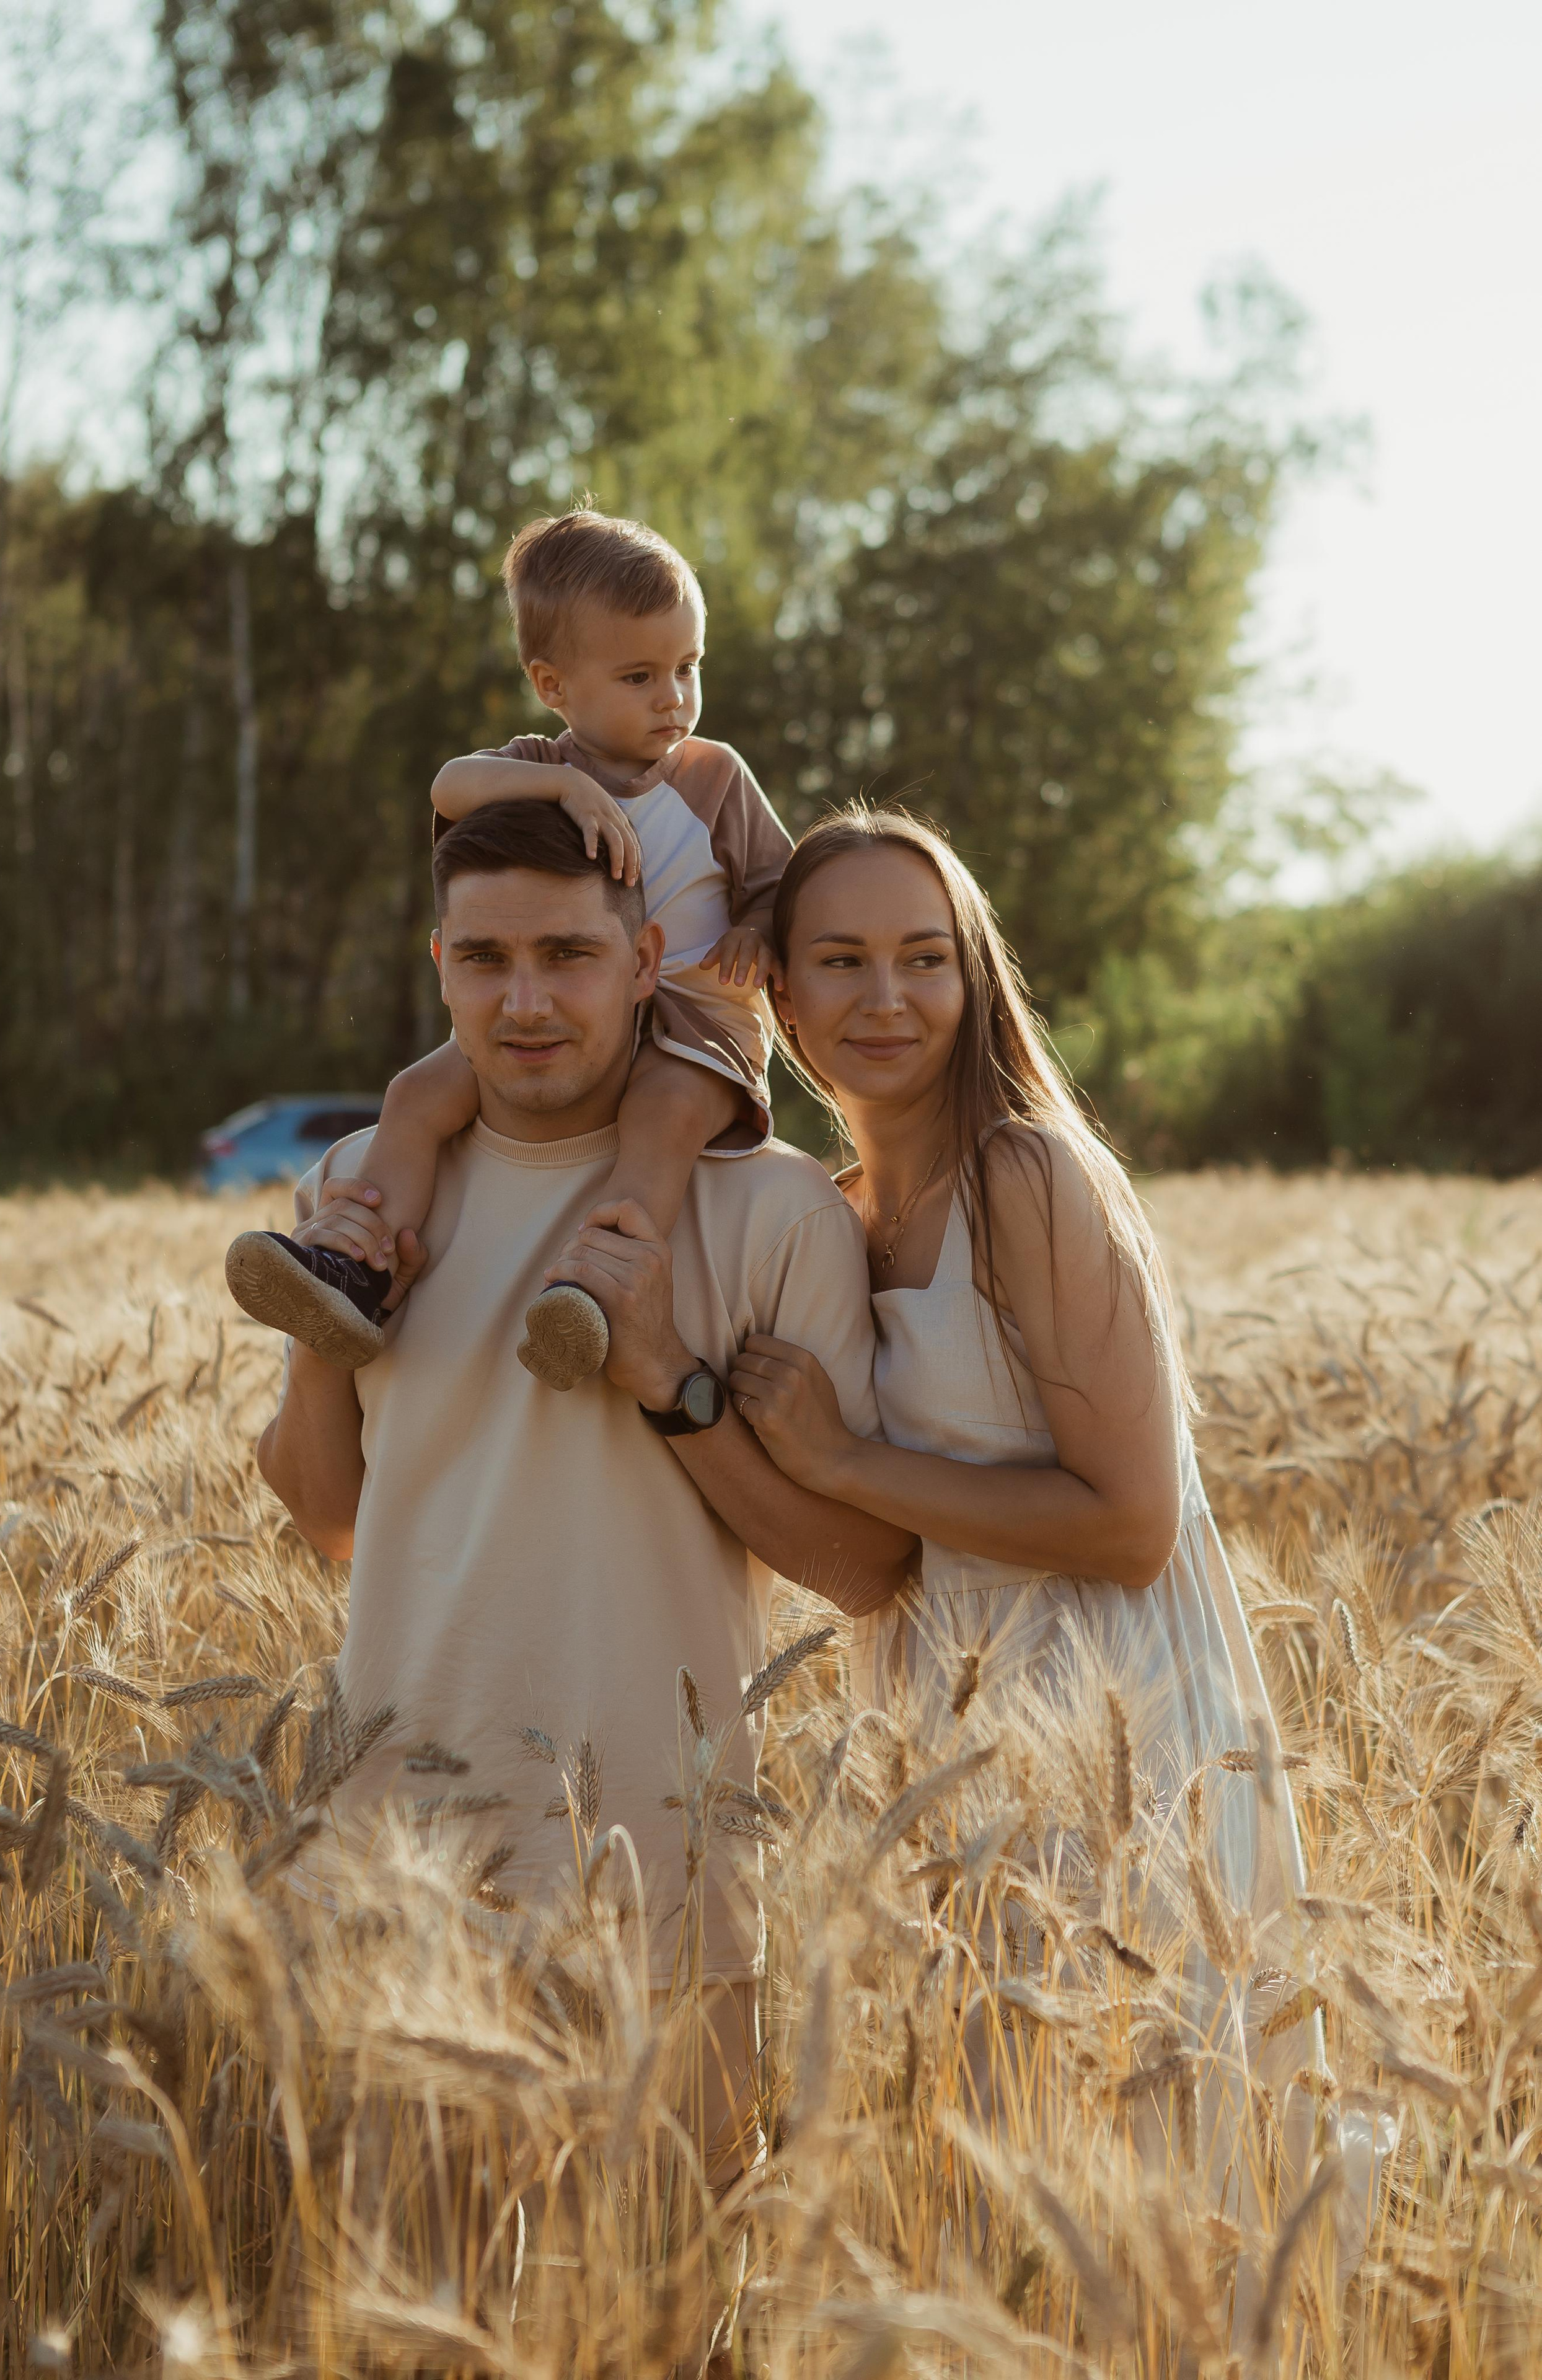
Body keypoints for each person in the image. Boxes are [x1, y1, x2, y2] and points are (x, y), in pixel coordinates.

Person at [722, 806, 1379, 2277]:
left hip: (1111, 1731)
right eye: (838, 961)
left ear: (972, 981)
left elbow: (1132, 1525)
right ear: (779, 995)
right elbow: (863, 1556)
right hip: (940, 1734)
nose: (883, 999)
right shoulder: (828, 1214)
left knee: (1146, 2179)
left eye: (921, 959)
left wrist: (843, 1453)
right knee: (984, 2182)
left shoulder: (1025, 1176)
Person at [254, 798, 915, 2177]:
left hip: (663, 1880)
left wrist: (671, 1381)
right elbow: (332, 1520)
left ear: (647, 961)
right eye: (486, 960)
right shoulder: (366, 1193)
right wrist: (332, 1346)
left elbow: (862, 1569)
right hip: (400, 1865)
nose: (527, 998)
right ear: (438, 964)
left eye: (567, 953)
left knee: (656, 2316)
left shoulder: (770, 1211)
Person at [227, 506, 791, 1393]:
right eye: (640, 675)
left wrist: (757, 929)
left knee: (662, 1117)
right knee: (418, 1094)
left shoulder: (713, 777)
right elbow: (451, 787)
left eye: (688, 669)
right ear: (553, 683)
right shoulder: (539, 763)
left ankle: (598, 1293)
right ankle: (356, 1272)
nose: (674, 697)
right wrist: (559, 784)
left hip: (693, 1023)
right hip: (570, 1009)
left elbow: (774, 882)